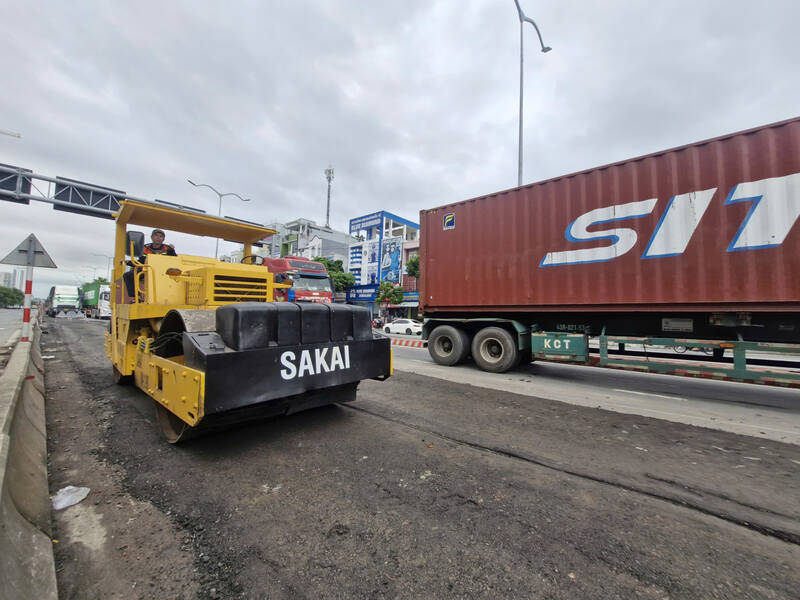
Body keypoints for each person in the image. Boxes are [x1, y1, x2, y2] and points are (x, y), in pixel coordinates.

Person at [123, 229, 177, 299]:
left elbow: (175, 260)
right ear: (152, 237)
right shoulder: (145, 248)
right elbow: (140, 262)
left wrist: (172, 250)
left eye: (161, 236)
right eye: (156, 235)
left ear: (163, 239)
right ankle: (136, 297)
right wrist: (128, 262)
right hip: (147, 270)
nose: (158, 237)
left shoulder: (168, 249)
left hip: (164, 272)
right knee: (128, 275)